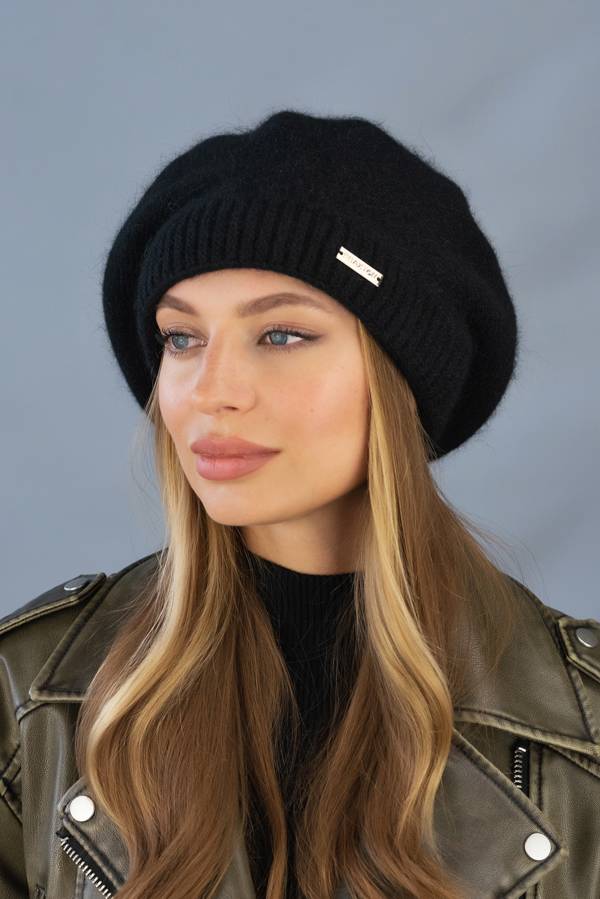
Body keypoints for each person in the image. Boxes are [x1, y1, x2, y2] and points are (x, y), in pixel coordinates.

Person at [1, 111, 599, 899]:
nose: (212, 391)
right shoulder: (26, 700)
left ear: (399, 381)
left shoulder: (582, 733)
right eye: (181, 338)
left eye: (281, 334)